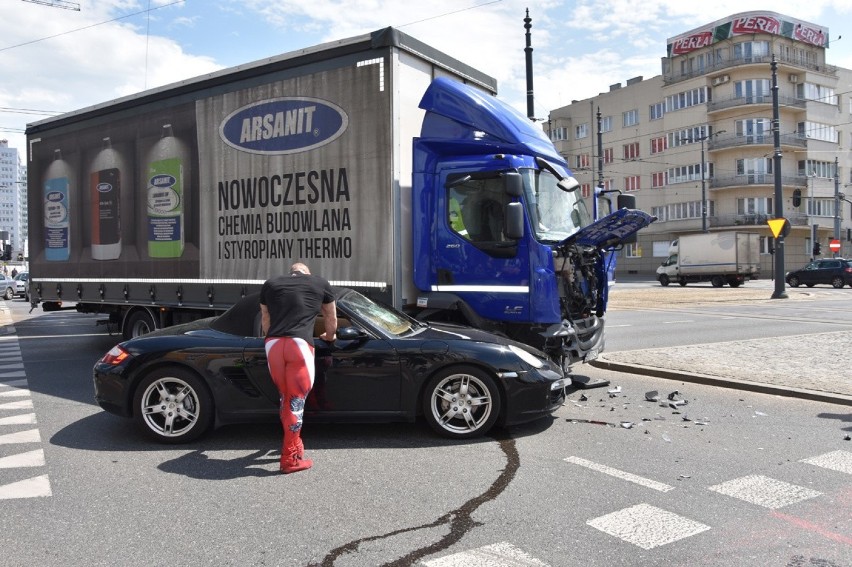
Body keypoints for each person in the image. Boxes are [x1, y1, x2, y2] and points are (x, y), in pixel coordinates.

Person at [260, 262, 337, 474]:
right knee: (296, 402)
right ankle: (290, 459)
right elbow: (330, 317)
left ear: (291, 272)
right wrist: (329, 336)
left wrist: (269, 339)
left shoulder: (271, 283)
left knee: (286, 398)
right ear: (307, 273)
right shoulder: (319, 283)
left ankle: (294, 442)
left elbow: (266, 320)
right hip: (299, 346)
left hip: (273, 345)